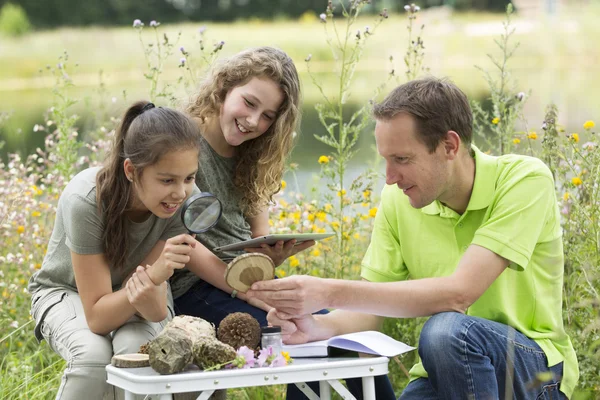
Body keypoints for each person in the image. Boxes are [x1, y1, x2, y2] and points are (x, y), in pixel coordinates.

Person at [247, 77, 579, 399]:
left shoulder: (524, 180)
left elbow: (459, 294)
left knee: (446, 330)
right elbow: (369, 312)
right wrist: (317, 327)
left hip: (534, 373)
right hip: (444, 370)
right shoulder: (400, 200)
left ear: (449, 146)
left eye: (402, 159)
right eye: (386, 161)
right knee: (445, 336)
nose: (390, 178)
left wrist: (328, 290)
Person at [173, 46, 396, 399]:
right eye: (248, 103)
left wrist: (272, 254)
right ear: (224, 88)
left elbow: (258, 235)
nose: (253, 121)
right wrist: (246, 289)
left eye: (267, 116)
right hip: (194, 286)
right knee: (301, 337)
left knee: (345, 338)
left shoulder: (254, 152)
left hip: (249, 281)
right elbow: (182, 245)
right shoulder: (181, 141)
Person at [28, 101, 264, 399]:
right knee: (92, 357)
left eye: (189, 178)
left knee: (136, 354)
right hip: (71, 293)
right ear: (131, 170)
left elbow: (153, 310)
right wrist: (154, 276)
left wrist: (154, 280)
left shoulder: (185, 205)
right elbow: (98, 318)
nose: (180, 192)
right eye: (167, 180)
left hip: (139, 290)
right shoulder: (86, 200)